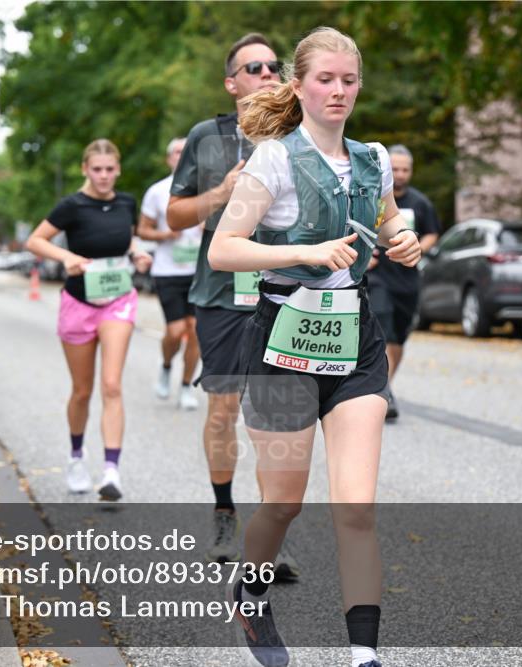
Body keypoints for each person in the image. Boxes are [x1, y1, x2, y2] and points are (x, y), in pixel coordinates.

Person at [208, 27, 422, 667]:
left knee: (355, 508)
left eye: (348, 80)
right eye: (325, 79)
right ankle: (251, 594)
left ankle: (365, 656)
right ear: (297, 85)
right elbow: (225, 248)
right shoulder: (272, 159)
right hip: (282, 343)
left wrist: (403, 239)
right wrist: (303, 250)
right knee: (284, 503)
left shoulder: (374, 157)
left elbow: (387, 219)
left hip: (354, 343)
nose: (338, 91)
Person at [168, 32, 304, 572]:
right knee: (224, 408)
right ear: (231, 83)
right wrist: (221, 194)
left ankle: (273, 532)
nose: (268, 74)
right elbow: (176, 216)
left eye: (275, 66)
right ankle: (224, 515)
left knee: (279, 415)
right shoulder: (207, 137)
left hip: (287, 290)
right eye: (254, 68)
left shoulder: (302, 135)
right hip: (223, 295)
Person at [26, 139, 152, 502]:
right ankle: (76, 456)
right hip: (79, 302)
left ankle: (111, 470)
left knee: (112, 385)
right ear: (85, 169)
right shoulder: (72, 205)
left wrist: (137, 252)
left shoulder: (126, 203)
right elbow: (35, 241)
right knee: (82, 391)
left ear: (118, 170)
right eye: (96, 169)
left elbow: (125, 239)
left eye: (110, 169)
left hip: (117, 299)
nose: (103, 176)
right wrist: (66, 257)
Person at [366, 145, 441, 421]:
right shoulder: (374, 199)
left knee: (398, 338)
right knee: (383, 330)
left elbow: (433, 233)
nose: (399, 174)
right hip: (377, 278)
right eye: (394, 169)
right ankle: (381, 391)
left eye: (404, 169)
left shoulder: (420, 203)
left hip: (407, 282)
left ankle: (386, 385)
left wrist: (415, 246)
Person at [136, 137, 202, 410]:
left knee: (196, 332)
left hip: (200, 271)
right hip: (167, 271)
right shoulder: (157, 191)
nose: (182, 155)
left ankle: (186, 387)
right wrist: (165, 234)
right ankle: (166, 366)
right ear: (169, 159)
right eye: (177, 151)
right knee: (175, 332)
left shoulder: (208, 190)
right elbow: (142, 230)